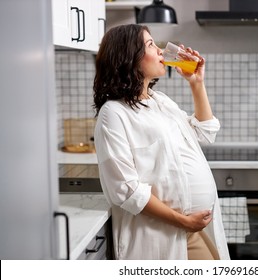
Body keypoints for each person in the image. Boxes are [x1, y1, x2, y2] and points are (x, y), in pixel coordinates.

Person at [93, 24, 230, 260]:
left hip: (191, 228)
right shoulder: (113, 113)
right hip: (159, 233)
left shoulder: (160, 101)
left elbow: (206, 132)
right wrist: (182, 221)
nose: (161, 51)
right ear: (128, 57)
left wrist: (197, 83)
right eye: (150, 45)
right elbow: (125, 190)